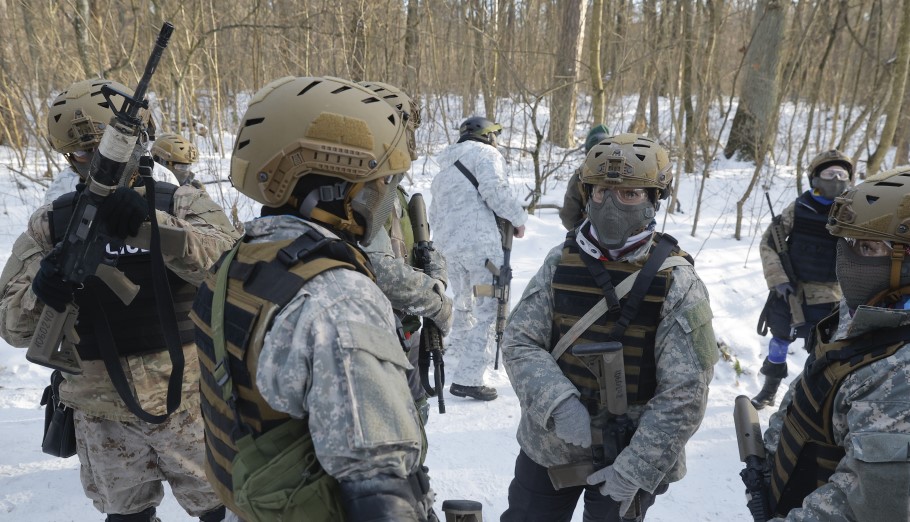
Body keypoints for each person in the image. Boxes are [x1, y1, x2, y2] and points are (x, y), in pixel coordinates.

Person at [189, 76, 435, 521]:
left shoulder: (236, 262)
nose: (384, 195)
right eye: (377, 182)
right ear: (337, 188)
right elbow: (382, 492)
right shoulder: (337, 299)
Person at [0, 77, 241, 521]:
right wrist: (41, 289)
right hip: (100, 414)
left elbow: (233, 270)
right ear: (67, 158)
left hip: (191, 401)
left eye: (105, 149)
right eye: (82, 153)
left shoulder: (181, 202)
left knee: (221, 510)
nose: (95, 162)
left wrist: (157, 230)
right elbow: (12, 326)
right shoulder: (50, 225)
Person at [500, 133, 717, 521]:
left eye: (630, 193)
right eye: (602, 191)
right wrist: (559, 404)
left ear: (654, 199)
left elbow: (685, 394)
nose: (613, 203)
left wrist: (635, 469)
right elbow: (520, 342)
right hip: (548, 448)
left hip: (629, 456)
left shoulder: (679, 283)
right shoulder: (559, 262)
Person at [761, 166, 910, 521]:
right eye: (846, 243)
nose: (846, 257)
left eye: (868, 247)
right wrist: (769, 455)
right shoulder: (866, 309)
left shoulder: (902, 372)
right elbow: (818, 380)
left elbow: (867, 502)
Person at [357, 80, 453, 423]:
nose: (411, 139)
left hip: (405, 330)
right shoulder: (362, 192)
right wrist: (438, 302)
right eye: (407, 128)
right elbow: (380, 271)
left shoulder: (388, 186)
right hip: (379, 337)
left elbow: (415, 249)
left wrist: (435, 273)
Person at [428, 116, 528, 401]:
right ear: (487, 136)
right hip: (480, 249)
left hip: (449, 249)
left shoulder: (444, 168)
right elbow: (495, 191)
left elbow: (435, 213)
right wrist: (519, 219)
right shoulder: (486, 154)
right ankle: (469, 378)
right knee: (490, 303)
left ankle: (458, 352)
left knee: (463, 301)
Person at [752, 149, 853, 409]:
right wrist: (778, 280)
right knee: (779, 342)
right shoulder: (799, 208)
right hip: (790, 292)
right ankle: (770, 389)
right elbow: (769, 244)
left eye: (842, 174)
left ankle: (810, 398)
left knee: (821, 351)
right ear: (815, 179)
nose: (837, 179)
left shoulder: (853, 213)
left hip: (832, 297)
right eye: (830, 173)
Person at [42, 79, 179, 205]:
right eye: (82, 152)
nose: (99, 160)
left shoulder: (162, 179)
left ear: (138, 141)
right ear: (70, 157)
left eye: (109, 145)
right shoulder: (61, 190)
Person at [559, 124, 610, 230]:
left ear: (588, 152)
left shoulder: (579, 177)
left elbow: (568, 218)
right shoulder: (628, 174)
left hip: (588, 238)